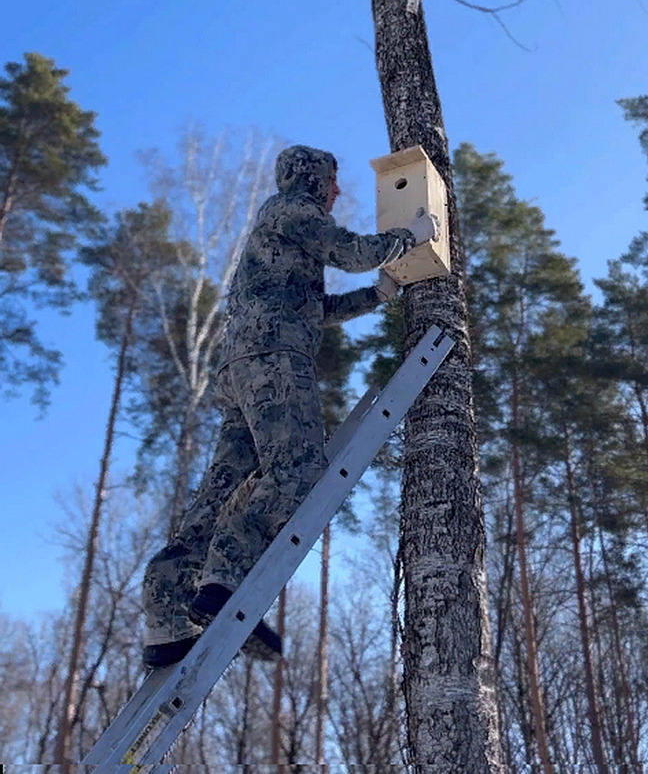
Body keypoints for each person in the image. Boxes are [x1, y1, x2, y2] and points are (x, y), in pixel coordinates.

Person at [142, 145, 438, 667]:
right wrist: (410, 236)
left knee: (222, 491)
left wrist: (377, 296)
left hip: (246, 367)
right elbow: (349, 252)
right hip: (274, 360)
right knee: (299, 471)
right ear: (312, 179)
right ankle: (223, 581)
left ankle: (167, 616)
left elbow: (310, 309)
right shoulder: (292, 209)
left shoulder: (280, 226)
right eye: (332, 182)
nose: (337, 192)